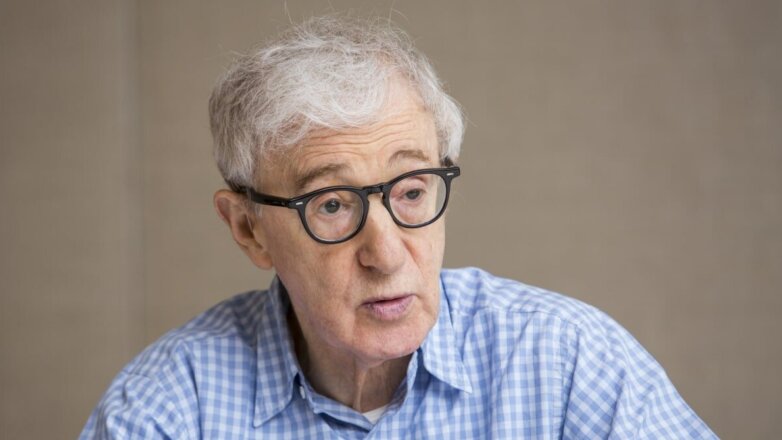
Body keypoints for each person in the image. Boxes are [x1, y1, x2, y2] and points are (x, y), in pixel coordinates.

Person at [80, 15, 716, 439]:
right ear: (249, 229)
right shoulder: (167, 410)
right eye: (331, 205)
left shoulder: (569, 362)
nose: (386, 254)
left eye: (411, 192)